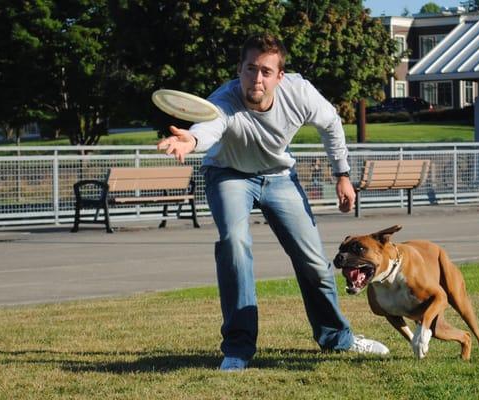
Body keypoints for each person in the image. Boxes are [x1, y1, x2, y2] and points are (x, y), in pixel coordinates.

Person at [157, 33, 389, 371]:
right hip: (228, 174)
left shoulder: (300, 93)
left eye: (266, 71)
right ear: (240, 70)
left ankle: (337, 339)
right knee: (234, 244)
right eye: (250, 69)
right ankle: (238, 348)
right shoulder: (224, 99)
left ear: (280, 76)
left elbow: (332, 124)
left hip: (280, 176)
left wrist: (342, 174)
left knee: (314, 262)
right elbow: (207, 127)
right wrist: (191, 140)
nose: (257, 78)